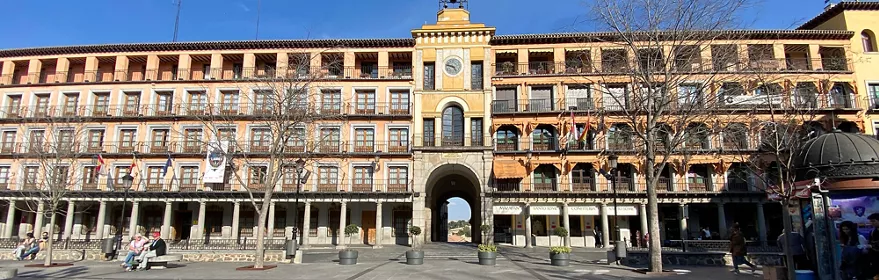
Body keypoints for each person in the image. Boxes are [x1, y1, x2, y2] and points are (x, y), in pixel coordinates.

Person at [866, 213, 879, 279]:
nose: (872, 223)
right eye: (870, 221)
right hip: (875, 258)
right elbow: (870, 242)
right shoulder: (872, 231)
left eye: (873, 221)